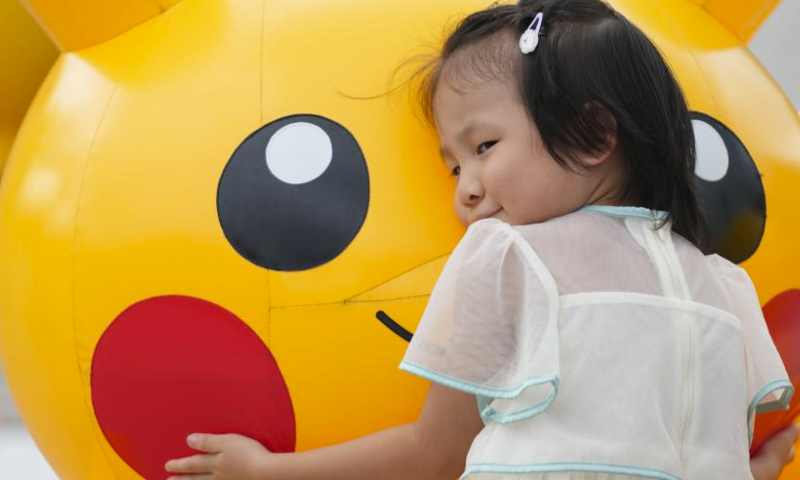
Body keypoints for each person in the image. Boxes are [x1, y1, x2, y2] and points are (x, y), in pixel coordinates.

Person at [165, 1, 797, 479]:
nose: (464, 190)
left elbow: (434, 453)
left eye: (484, 147)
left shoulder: (510, 255)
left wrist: (268, 471)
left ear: (594, 134)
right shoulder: (723, 284)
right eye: (454, 166)